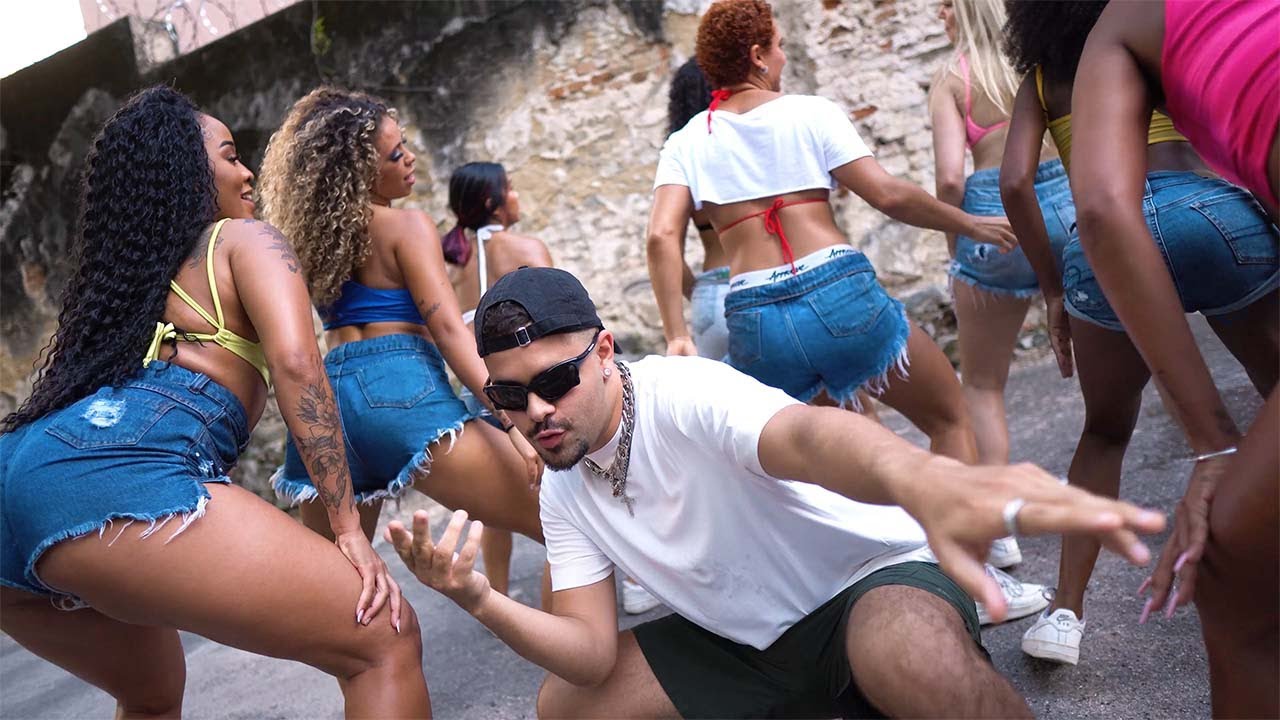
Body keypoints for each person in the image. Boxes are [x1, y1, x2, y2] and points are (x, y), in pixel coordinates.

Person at [386, 265, 1166, 718]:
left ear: (603, 351)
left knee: (906, 656)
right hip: (749, 643)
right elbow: (589, 656)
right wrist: (479, 598)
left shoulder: (683, 393)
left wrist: (919, 475)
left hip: (868, 582)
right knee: (564, 706)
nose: (536, 412)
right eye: (509, 398)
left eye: (555, 381)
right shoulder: (564, 484)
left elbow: (806, 437)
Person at [0, 87, 429, 717]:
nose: (246, 171)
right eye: (229, 156)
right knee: (385, 636)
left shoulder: (133, 285)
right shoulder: (242, 239)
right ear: (184, 172)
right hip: (114, 471)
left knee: (149, 695)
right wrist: (347, 529)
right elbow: (298, 364)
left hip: (16, 478)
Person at [646, 0, 1044, 617]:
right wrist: (967, 222)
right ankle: (977, 582)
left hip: (755, 316)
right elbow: (887, 194)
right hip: (838, 293)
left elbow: (660, 236)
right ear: (757, 55)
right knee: (948, 416)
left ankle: (866, 595)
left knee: (828, 463)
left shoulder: (687, 140)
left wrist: (677, 333)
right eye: (778, 45)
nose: (783, 56)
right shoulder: (810, 112)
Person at [1000, 0, 1278, 667]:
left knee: (1104, 432)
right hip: (1208, 213)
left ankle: (1065, 614)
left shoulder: (1041, 76)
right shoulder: (1147, 28)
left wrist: (1054, 286)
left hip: (1105, 250)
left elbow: (1014, 182)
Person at [257, 88, 544, 559]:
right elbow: (449, 331)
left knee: (338, 577)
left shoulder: (313, 242)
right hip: (399, 389)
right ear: (361, 170)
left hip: (327, 400)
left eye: (405, 145)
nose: (410, 158)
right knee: (560, 524)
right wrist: (511, 422)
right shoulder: (407, 227)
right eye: (395, 154)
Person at [929, 0, 1071, 570]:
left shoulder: (952, 78)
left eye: (945, 5)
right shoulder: (1037, 57)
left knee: (984, 384)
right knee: (1112, 351)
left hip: (992, 215)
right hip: (1062, 198)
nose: (939, 15)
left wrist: (956, 242)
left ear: (963, 11)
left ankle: (998, 528)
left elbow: (948, 178)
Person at [440, 160, 564, 607]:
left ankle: (497, 595)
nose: (516, 196)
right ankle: (583, 602)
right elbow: (560, 317)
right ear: (493, 202)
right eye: (510, 188)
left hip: (477, 391)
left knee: (497, 506)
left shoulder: (450, 263)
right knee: (570, 497)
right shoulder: (524, 247)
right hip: (530, 390)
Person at [650, 57, 733, 362]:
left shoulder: (684, 152)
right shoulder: (752, 141)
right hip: (769, 281)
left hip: (713, 293)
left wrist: (700, 293)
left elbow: (663, 238)